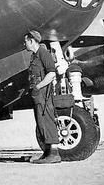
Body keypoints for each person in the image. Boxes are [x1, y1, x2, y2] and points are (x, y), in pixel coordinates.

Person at [24, 30, 61, 164]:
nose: (25, 44)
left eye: (26, 41)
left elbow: (51, 74)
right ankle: (47, 153)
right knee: (41, 121)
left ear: (32, 40)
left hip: (43, 92)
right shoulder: (34, 56)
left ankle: (54, 154)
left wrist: (39, 87)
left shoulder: (43, 53)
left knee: (47, 119)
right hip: (37, 92)